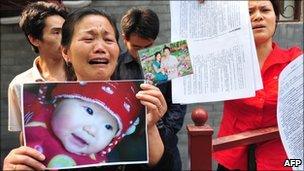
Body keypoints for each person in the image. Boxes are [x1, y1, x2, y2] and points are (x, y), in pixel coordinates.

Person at [3, 8, 172, 170]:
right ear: (66, 52)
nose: (100, 47)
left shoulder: (137, 104)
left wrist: (149, 126)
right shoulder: (36, 124)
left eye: (108, 40)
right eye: (89, 39)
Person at [213, 0, 303, 170]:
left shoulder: (295, 61)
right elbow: (175, 62)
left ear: (275, 17)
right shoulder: (225, 62)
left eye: (264, 10)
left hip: (284, 162)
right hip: (231, 159)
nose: (257, 16)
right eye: (249, 12)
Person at [111, 7, 186, 170]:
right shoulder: (113, 66)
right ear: (124, 38)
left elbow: (178, 109)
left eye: (149, 46)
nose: (143, 53)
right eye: (137, 47)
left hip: (166, 152)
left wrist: (159, 131)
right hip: (128, 155)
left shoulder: (169, 62)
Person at [23, 82, 142, 168]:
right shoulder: (34, 115)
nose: (91, 130)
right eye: (89, 111)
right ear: (59, 101)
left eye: (108, 127)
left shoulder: (99, 162)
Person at [7, 1, 69, 133]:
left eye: (66, 32)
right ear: (34, 39)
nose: (65, 38)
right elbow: (25, 134)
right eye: (56, 32)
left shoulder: (84, 74)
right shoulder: (19, 84)